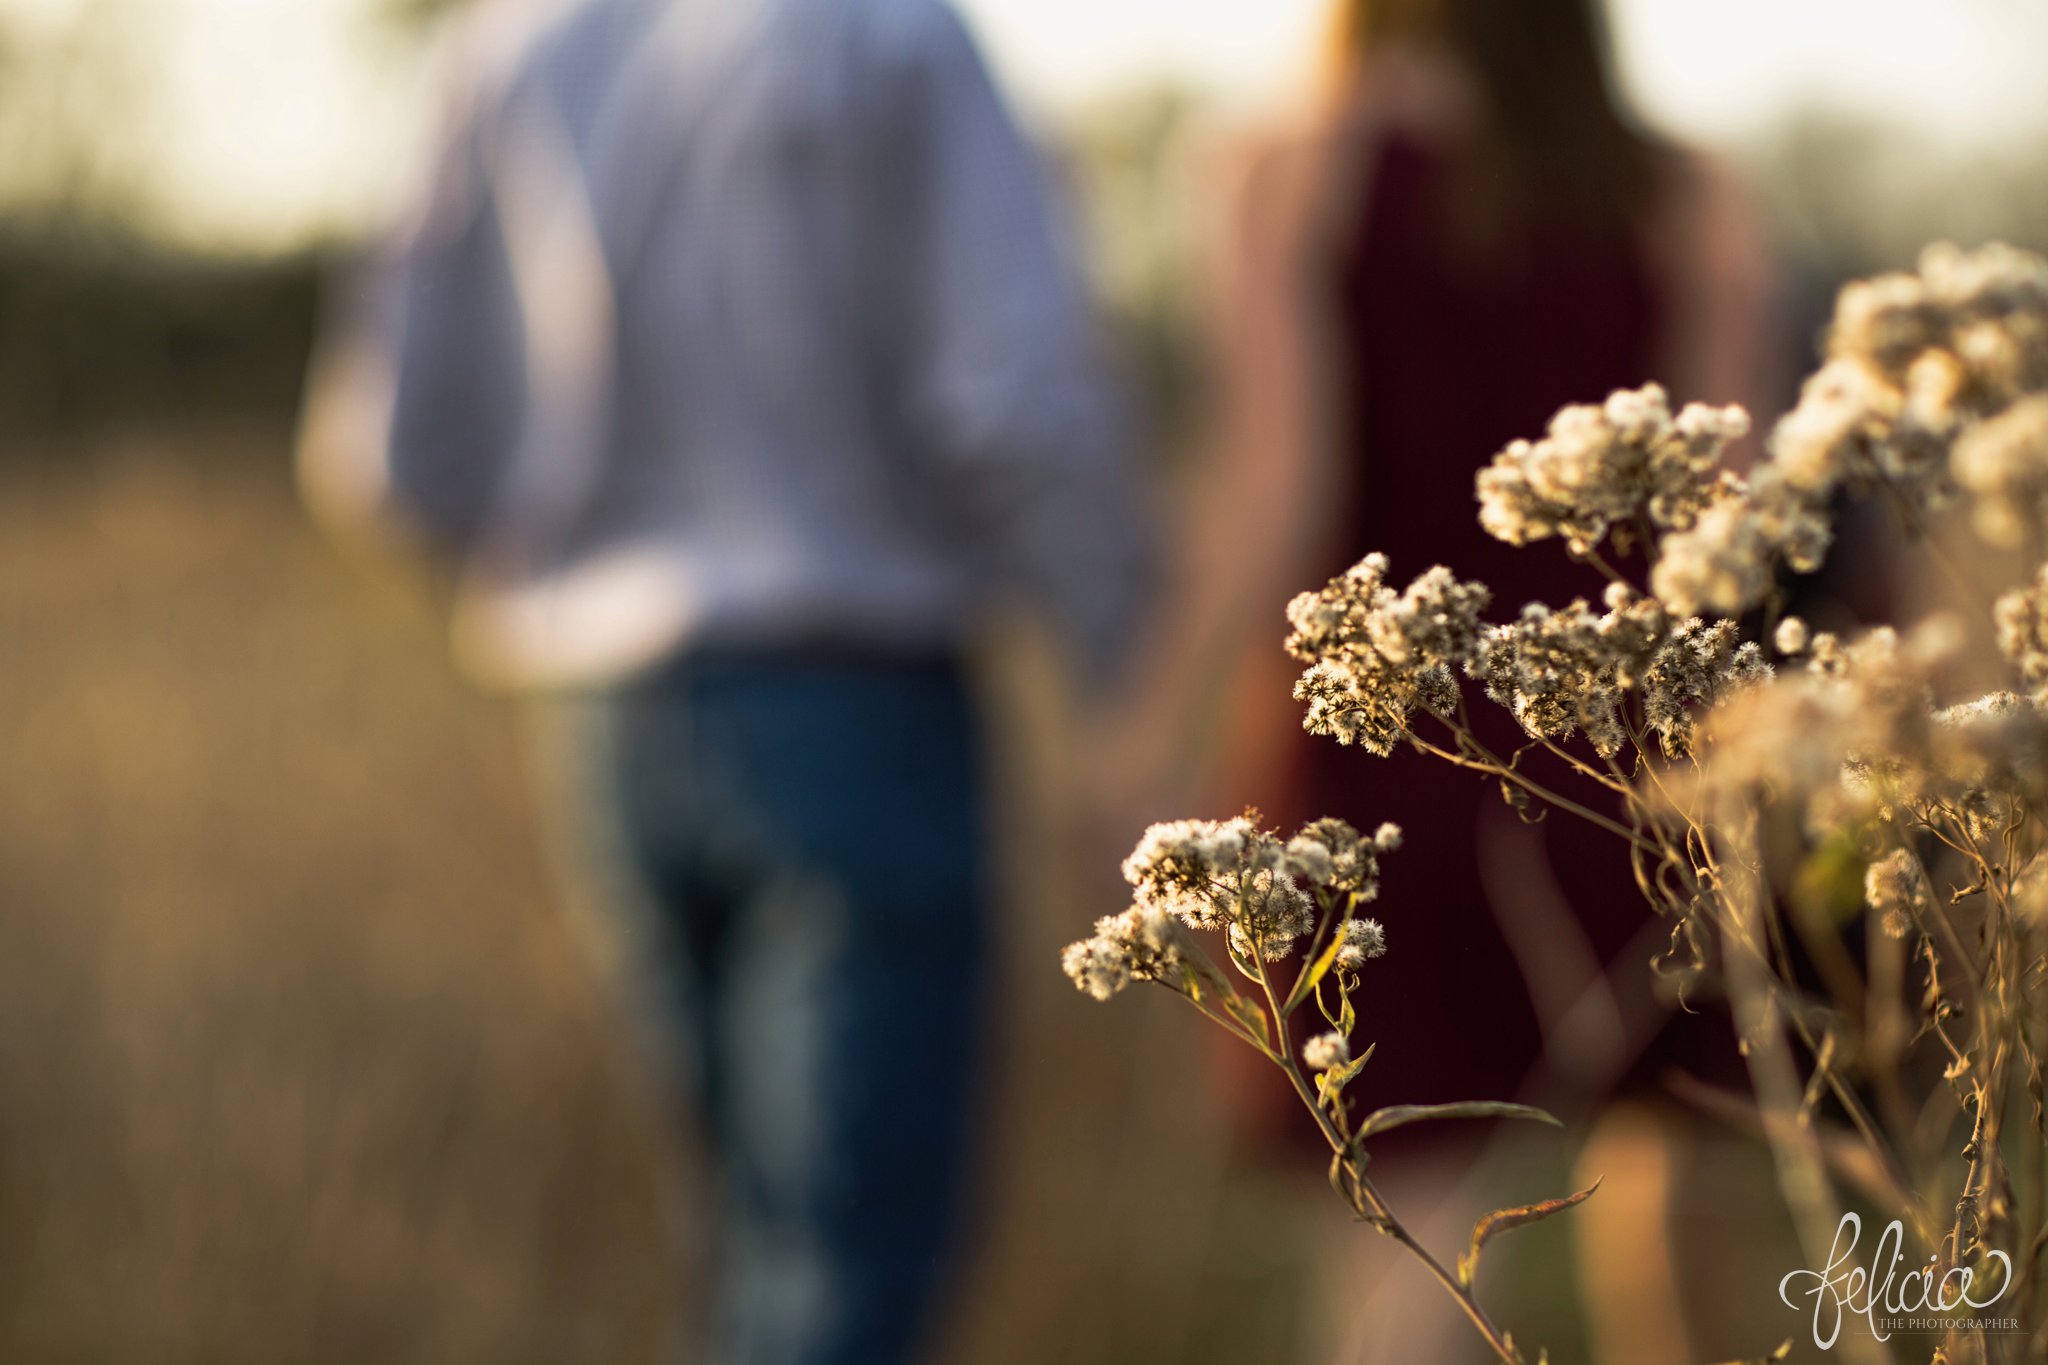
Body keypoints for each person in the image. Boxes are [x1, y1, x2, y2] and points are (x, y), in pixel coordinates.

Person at [296, 0, 1150, 1360]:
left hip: (611, 720)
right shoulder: (893, 37)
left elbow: (387, 452)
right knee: (849, 1270)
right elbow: (1017, 399)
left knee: (754, 1239)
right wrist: (1129, 670)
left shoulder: (511, 45)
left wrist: (569, 539)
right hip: (861, 704)